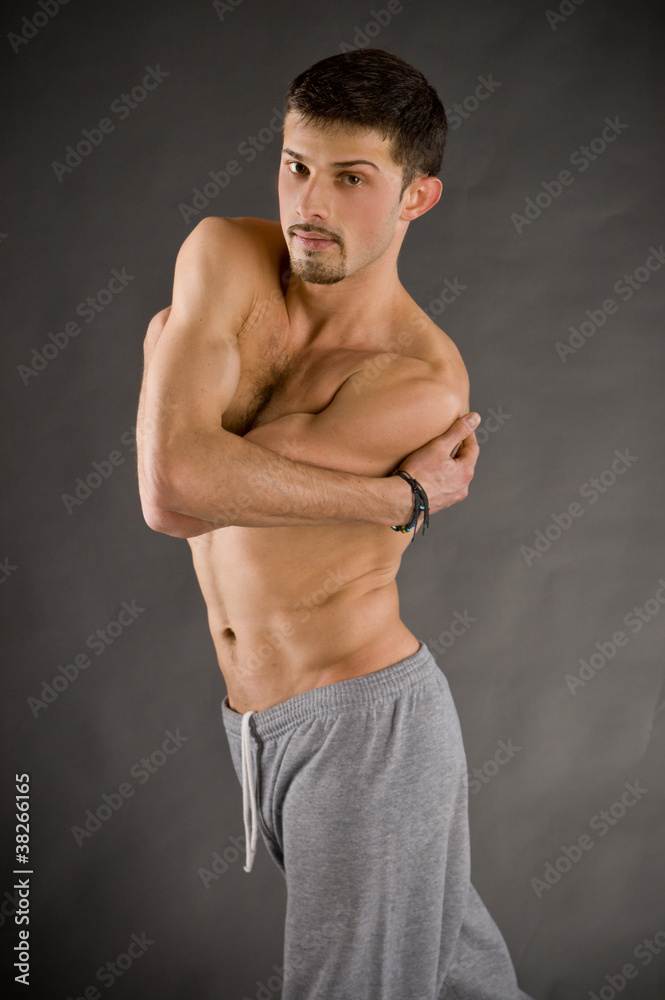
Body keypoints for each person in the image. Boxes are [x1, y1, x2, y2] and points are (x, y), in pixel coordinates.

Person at [136, 47, 534, 1000]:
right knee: (460, 982)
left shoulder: (419, 379)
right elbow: (180, 487)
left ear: (415, 198)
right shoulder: (222, 251)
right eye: (295, 165)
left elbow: (181, 490)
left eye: (351, 178)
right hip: (263, 727)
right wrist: (399, 500)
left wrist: (190, 410)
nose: (308, 204)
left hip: (364, 732)